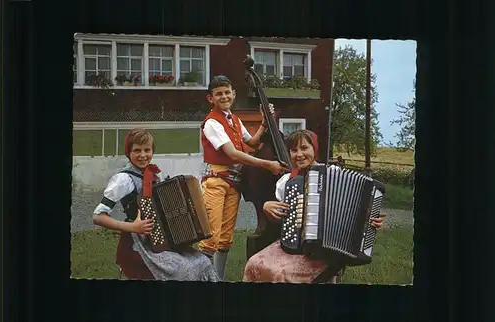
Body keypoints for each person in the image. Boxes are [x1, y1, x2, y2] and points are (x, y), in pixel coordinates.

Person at [243, 129, 387, 283]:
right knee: (253, 264)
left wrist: (370, 219)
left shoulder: (333, 174)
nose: (299, 154)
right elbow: (282, 220)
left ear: (315, 149)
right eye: (294, 150)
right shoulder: (286, 181)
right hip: (295, 244)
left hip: (328, 252)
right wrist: (267, 207)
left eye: (304, 148)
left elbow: (358, 206)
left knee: (282, 274)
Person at [92, 128, 220, 282]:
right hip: (136, 245)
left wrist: (197, 213)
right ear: (128, 152)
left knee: (203, 261)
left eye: (147, 150)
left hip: (162, 242)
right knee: (181, 269)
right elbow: (98, 217)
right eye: (137, 150)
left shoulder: (151, 174)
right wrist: (133, 227)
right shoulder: (123, 179)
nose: (143, 155)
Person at [198, 75, 289, 280]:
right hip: (216, 182)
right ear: (210, 98)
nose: (224, 96)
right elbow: (232, 154)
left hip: (233, 183)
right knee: (211, 238)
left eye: (227, 92)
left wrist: (265, 124)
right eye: (218, 93)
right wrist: (267, 164)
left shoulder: (235, 120)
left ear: (233, 94)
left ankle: (218, 280)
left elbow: (254, 143)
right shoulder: (212, 122)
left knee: (225, 239)